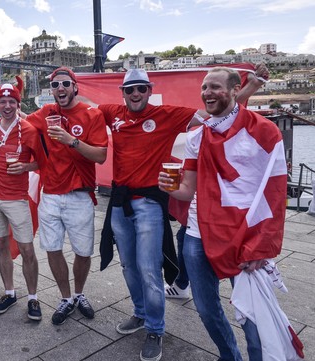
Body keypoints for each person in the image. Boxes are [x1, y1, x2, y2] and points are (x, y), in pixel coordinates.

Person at [95, 65, 268, 361]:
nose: (135, 93)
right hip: (120, 201)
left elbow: (220, 116)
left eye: (141, 88)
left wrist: (250, 88)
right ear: (122, 93)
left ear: (149, 91)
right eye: (129, 89)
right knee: (127, 266)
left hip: (149, 203)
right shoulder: (112, 112)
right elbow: (76, 112)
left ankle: (155, 328)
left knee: (149, 269)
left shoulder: (168, 114)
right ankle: (139, 313)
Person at [158, 67, 288, 361]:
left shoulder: (264, 131)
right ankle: (230, 356)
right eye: (204, 88)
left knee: (252, 315)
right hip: (197, 235)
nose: (207, 93)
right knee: (206, 309)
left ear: (233, 90)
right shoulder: (196, 137)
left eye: (215, 87)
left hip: (243, 236)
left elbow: (275, 193)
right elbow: (187, 191)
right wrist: (168, 188)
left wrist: (263, 245)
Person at [24, 67, 108, 325]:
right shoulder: (47, 113)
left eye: (65, 84)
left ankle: (80, 293)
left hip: (79, 195)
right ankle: (66, 297)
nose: (60, 89)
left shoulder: (91, 114)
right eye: (55, 85)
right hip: (50, 194)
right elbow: (20, 124)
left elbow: (101, 156)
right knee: (52, 249)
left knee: (83, 252)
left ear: (75, 87)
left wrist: (71, 140)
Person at [0, 77, 45, 320]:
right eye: (2, 102)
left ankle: (33, 298)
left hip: (16, 198)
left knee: (27, 249)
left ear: (17, 104)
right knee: (0, 245)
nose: (7, 106)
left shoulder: (29, 130)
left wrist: (26, 167)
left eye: (11, 102)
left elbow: (42, 162)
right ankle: (9, 292)